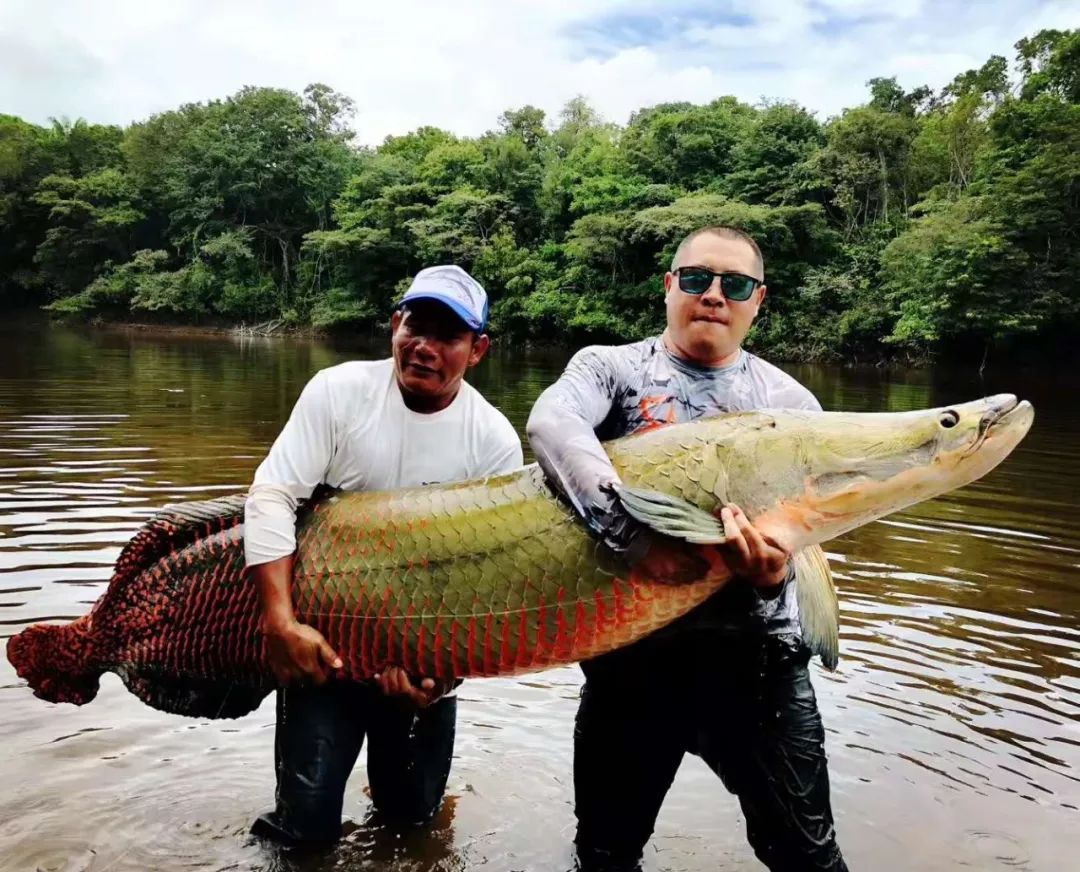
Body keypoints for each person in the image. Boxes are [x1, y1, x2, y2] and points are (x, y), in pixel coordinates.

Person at [527, 226, 848, 872]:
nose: (714, 296)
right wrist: (631, 536)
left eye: (734, 285)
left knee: (809, 861)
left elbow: (805, 539)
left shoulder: (792, 407)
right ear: (669, 286)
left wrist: (771, 575)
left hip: (759, 670)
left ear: (760, 300)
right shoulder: (611, 371)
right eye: (697, 279)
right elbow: (552, 423)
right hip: (631, 664)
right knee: (605, 857)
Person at [244, 265, 523, 846]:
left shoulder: (493, 439)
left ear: (477, 351)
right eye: (414, 326)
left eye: (447, 337)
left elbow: (490, 581)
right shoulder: (338, 392)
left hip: (419, 658)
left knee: (413, 824)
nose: (424, 347)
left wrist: (444, 675)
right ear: (395, 325)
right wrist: (279, 620)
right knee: (304, 830)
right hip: (325, 645)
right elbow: (273, 494)